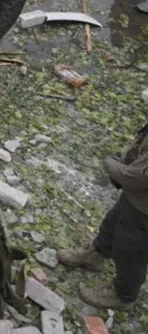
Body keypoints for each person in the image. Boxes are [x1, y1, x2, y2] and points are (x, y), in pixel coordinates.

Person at [58, 123, 148, 311]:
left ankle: (124, 295)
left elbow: (136, 177)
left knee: (132, 249)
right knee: (113, 223)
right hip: (135, 198)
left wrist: (112, 165)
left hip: (144, 209)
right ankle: (97, 254)